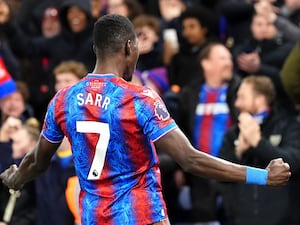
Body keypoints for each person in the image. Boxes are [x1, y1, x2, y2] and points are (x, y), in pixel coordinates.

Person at [0, 14, 291, 225]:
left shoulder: (63, 99)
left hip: (93, 218)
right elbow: (190, 160)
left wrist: (16, 177)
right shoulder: (138, 99)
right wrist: (262, 175)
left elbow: (37, 161)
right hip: (140, 216)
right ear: (129, 47)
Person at [218, 75, 300, 225]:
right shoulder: (233, 134)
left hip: (284, 220)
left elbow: (293, 163)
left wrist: (257, 143)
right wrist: (239, 151)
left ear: (260, 99)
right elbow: (220, 177)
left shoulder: (288, 126)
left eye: (242, 97)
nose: (237, 103)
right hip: (241, 219)